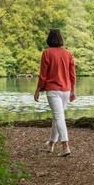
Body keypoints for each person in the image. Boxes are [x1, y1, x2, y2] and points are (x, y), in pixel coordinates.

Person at [34, 29, 76, 157]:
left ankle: (65, 146)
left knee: (58, 117)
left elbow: (43, 75)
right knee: (58, 117)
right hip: (66, 89)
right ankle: (51, 143)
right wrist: (73, 90)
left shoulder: (46, 53)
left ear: (49, 39)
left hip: (53, 90)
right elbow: (72, 74)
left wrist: (37, 90)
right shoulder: (68, 54)